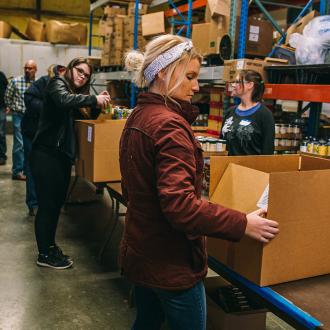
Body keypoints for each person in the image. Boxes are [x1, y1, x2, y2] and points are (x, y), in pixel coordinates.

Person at [119, 35, 279, 330]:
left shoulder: (138, 116)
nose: (196, 86)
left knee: (147, 323)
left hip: (141, 252)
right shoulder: (169, 125)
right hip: (172, 264)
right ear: (164, 73)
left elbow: (131, 189)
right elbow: (180, 208)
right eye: (190, 76)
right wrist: (243, 223)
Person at [30, 57, 111, 270]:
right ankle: (44, 254)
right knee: (48, 206)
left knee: (55, 205)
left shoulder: (74, 93)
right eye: (80, 71)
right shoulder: (57, 84)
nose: (82, 77)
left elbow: (82, 112)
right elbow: (64, 101)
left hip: (59, 156)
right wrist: (93, 99)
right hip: (46, 155)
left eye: (86, 76)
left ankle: (49, 246)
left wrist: (97, 101)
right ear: (70, 68)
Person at [22, 64, 66, 217]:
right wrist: (45, 108)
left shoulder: (64, 87)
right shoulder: (43, 82)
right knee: (32, 168)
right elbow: (28, 97)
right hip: (31, 131)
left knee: (48, 170)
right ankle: (33, 204)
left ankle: (48, 203)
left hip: (48, 135)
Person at [220, 70, 275, 156]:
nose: (233, 85)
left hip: (250, 168)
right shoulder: (230, 112)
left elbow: (267, 152)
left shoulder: (264, 115)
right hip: (228, 168)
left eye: (237, 82)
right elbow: (221, 144)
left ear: (250, 85)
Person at [4, 60, 37, 179]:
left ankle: (27, 170)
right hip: (19, 115)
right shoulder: (15, 81)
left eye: (30, 68)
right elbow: (7, 97)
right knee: (19, 144)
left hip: (32, 117)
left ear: (35, 70)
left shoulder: (37, 83)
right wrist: (14, 108)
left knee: (30, 144)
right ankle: (17, 171)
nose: (27, 70)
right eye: (26, 68)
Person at [0, 70, 8, 165]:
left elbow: (7, 89)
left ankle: (2, 156)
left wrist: (8, 105)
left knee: (1, 133)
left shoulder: (1, 75)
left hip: (1, 107)